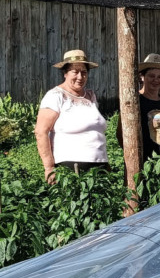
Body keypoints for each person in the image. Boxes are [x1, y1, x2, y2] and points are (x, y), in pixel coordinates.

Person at [35, 49, 108, 183]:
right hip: (70, 167)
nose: (80, 77)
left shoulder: (91, 96)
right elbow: (41, 132)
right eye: (75, 72)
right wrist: (49, 167)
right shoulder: (55, 96)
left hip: (99, 165)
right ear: (65, 73)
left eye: (84, 72)